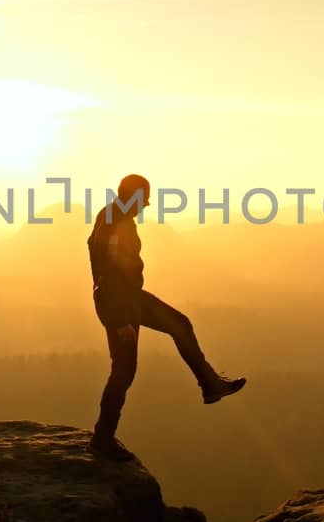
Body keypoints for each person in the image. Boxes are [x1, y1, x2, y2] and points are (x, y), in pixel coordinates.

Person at [87, 173, 245, 461]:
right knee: (127, 368)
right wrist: (119, 320)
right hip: (121, 302)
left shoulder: (113, 216)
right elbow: (107, 272)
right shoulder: (113, 221)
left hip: (126, 299)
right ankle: (102, 439)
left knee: (154, 346)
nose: (147, 204)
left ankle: (209, 384)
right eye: (144, 198)